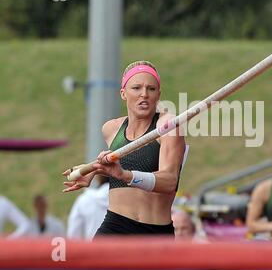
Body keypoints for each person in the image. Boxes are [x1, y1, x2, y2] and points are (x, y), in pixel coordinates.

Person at [63, 61, 186, 237]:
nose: (144, 94)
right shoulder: (111, 129)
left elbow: (169, 181)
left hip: (154, 232)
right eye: (136, 88)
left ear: (158, 95)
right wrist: (93, 170)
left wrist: (124, 175)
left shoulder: (168, 126)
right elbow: (130, 164)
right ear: (123, 93)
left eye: (151, 89)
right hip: (114, 226)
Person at [67, 175, 109, 240]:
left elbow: (73, 235)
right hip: (123, 248)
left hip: (93, 248)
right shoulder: (127, 200)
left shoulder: (84, 200)